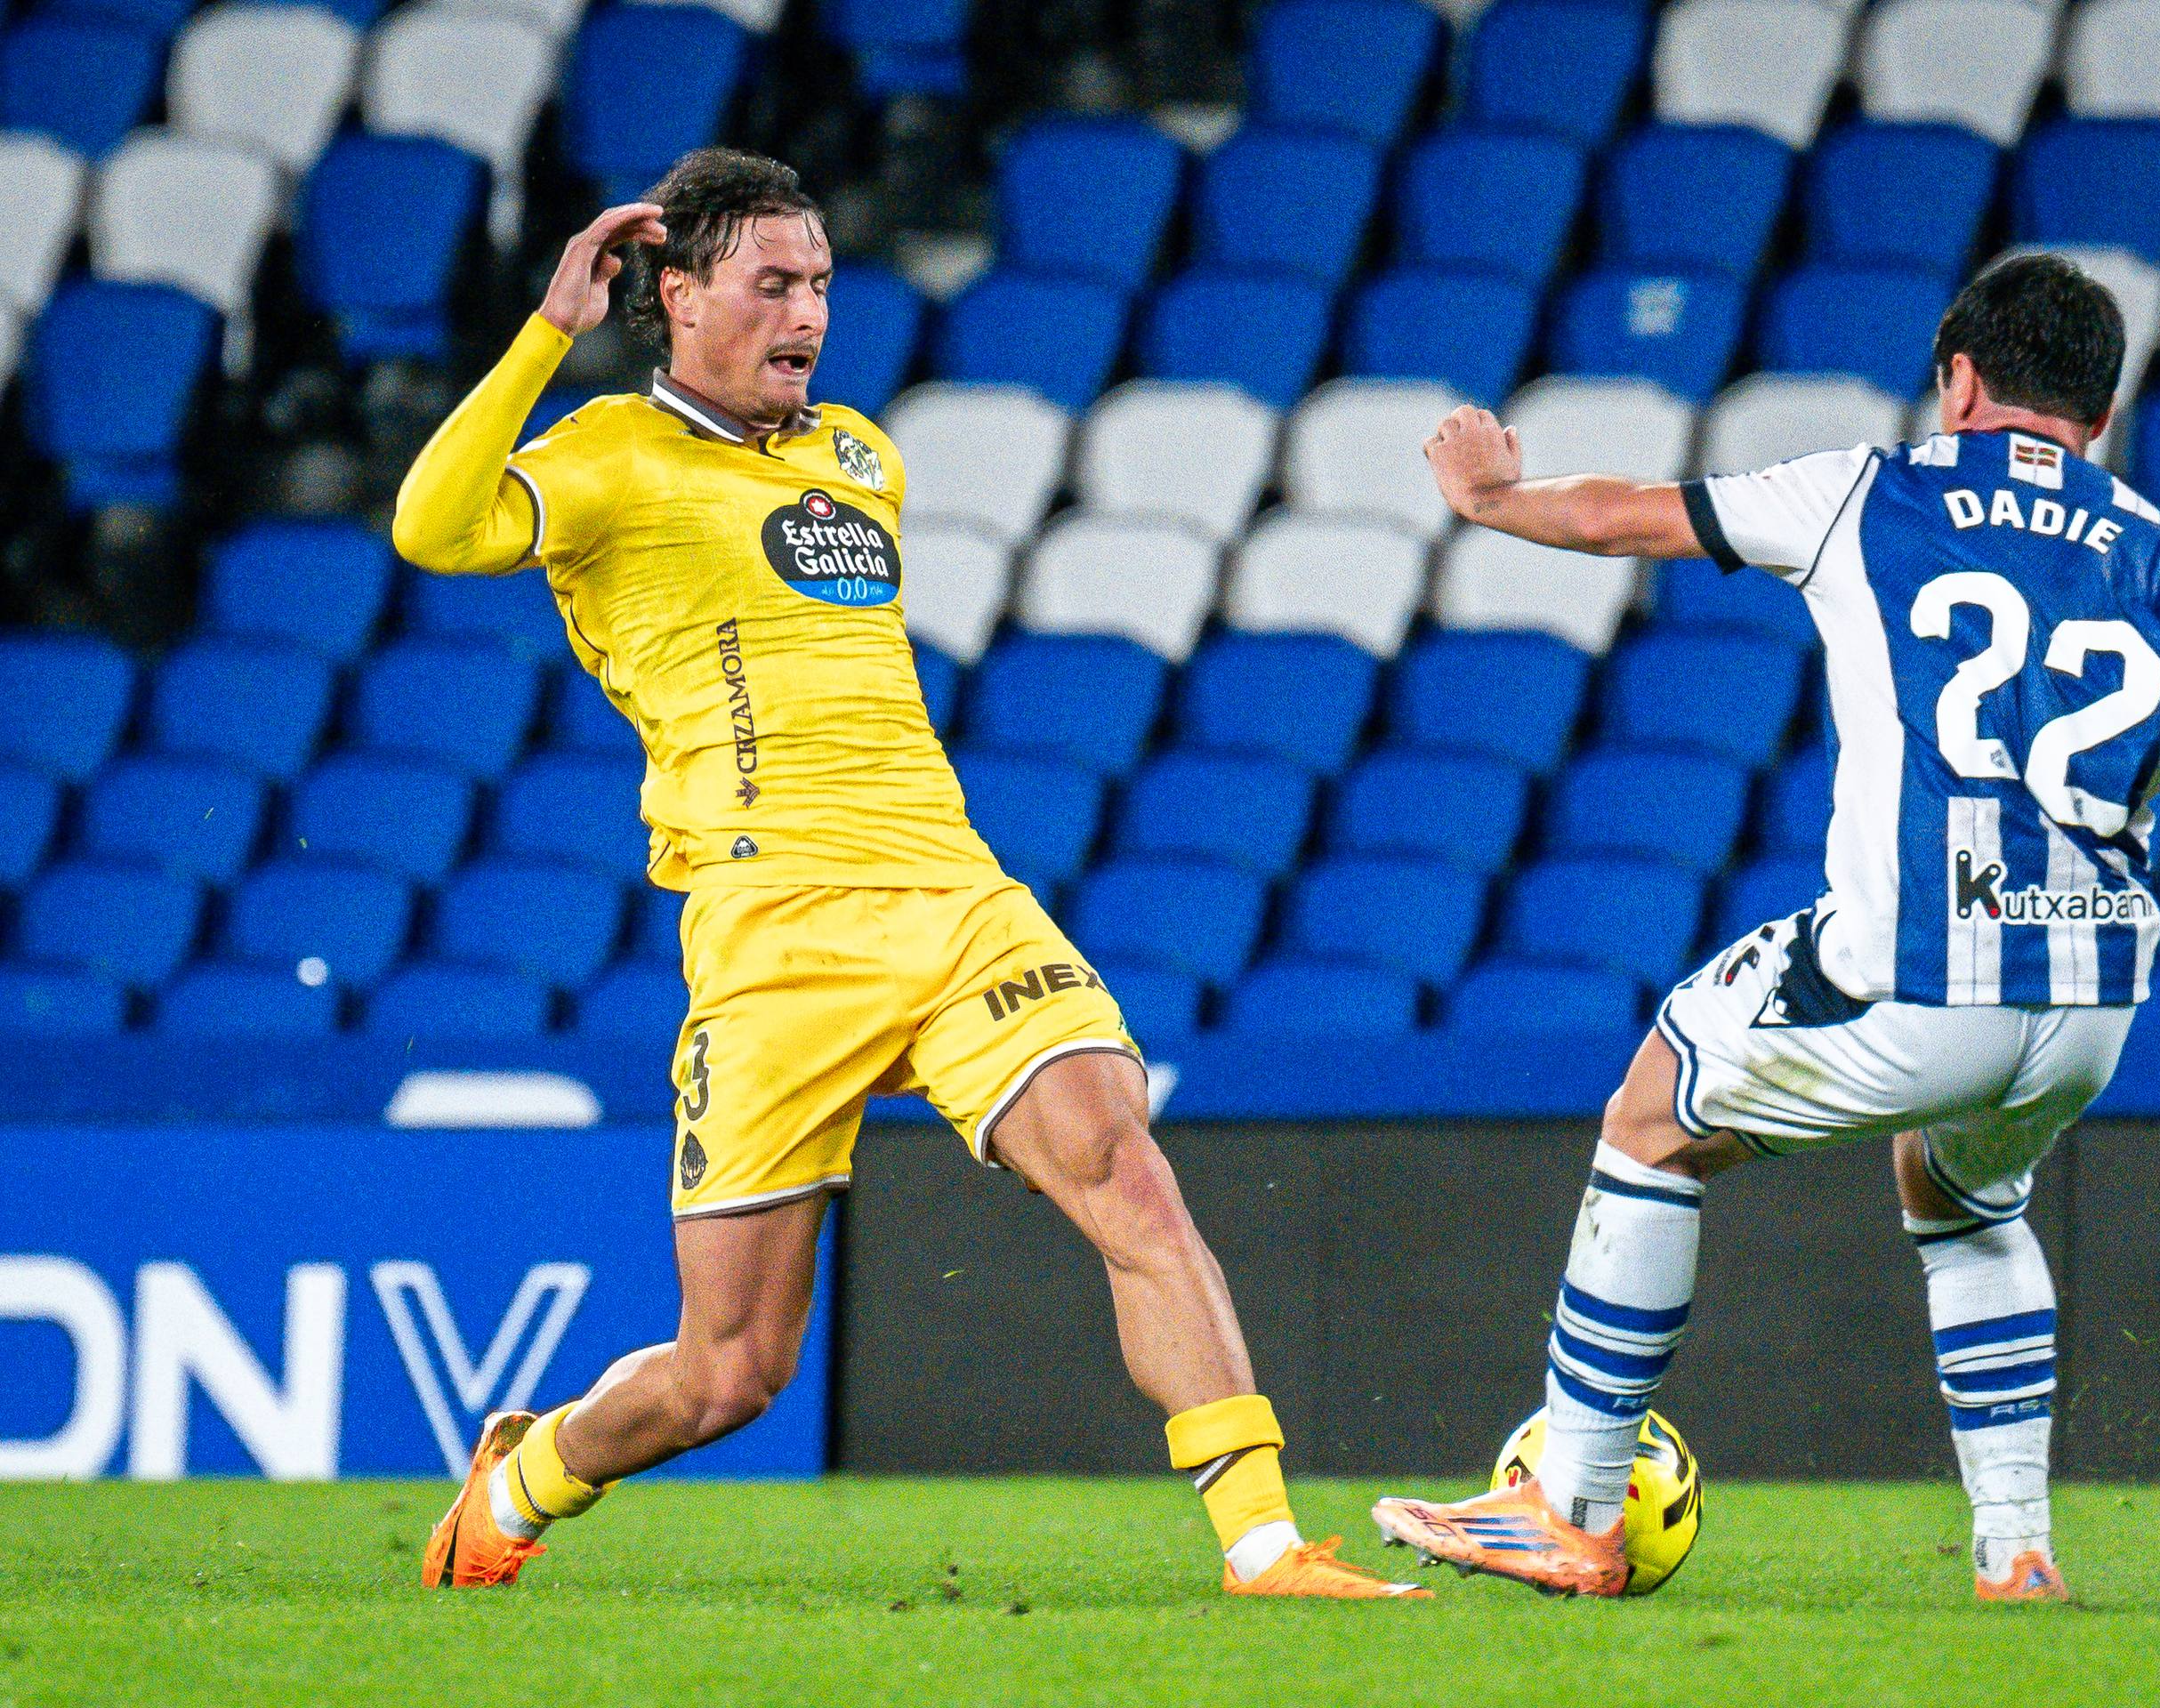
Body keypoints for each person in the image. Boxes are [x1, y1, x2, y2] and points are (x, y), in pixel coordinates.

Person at [394, 148, 1420, 1600]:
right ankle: (525, 1475)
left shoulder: (860, 454)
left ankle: (1265, 1545)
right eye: (772, 283)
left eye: (820, 282)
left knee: (1128, 1170)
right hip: (773, 928)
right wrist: (548, 335)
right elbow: (433, 529)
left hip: (952, 893)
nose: (809, 312)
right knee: (730, 1374)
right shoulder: (607, 454)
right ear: (678, 297)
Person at [1371, 254, 2160, 1600]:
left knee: (1651, 1114)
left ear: (1961, 381)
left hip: (1920, 971)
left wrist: (1489, 497)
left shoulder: (1869, 491)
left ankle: (1568, 1505)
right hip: (2090, 1005)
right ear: (2101, 414)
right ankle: (2016, 1552)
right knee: (1962, 1194)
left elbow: (1624, 520)